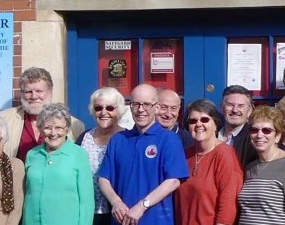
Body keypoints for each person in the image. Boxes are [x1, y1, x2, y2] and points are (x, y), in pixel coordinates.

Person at [97, 84, 188, 225]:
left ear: (156, 107)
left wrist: (142, 206)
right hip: (121, 220)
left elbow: (173, 181)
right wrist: (116, 202)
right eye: (136, 104)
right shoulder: (118, 139)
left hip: (156, 220)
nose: (140, 110)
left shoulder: (169, 139)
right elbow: (104, 179)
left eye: (147, 104)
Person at [22, 103, 93, 225]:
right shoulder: (32, 155)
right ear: (41, 129)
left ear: (67, 129)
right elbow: (27, 193)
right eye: (48, 127)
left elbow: (86, 201)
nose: (53, 133)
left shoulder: (79, 154)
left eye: (59, 128)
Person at [176, 99, 242, 225]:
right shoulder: (185, 155)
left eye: (205, 119)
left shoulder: (225, 154)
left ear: (216, 124)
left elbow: (228, 204)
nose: (198, 124)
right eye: (193, 121)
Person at [0, 68, 85, 161]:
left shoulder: (75, 126)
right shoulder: (3, 120)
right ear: (22, 93)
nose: (34, 96)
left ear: (50, 92)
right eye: (28, 92)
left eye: (39, 91)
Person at [238, 106, 285, 225]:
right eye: (254, 130)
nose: (259, 135)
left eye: (266, 130)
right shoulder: (249, 168)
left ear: (277, 136)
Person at [78, 87, 126, 225]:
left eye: (110, 108)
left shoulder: (128, 139)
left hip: (118, 211)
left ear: (120, 110)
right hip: (87, 209)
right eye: (98, 107)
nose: (104, 112)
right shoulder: (84, 137)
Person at [219, 86, 255, 170]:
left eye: (241, 106)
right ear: (222, 108)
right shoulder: (212, 135)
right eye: (230, 105)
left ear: (249, 111)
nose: (235, 110)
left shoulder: (254, 138)